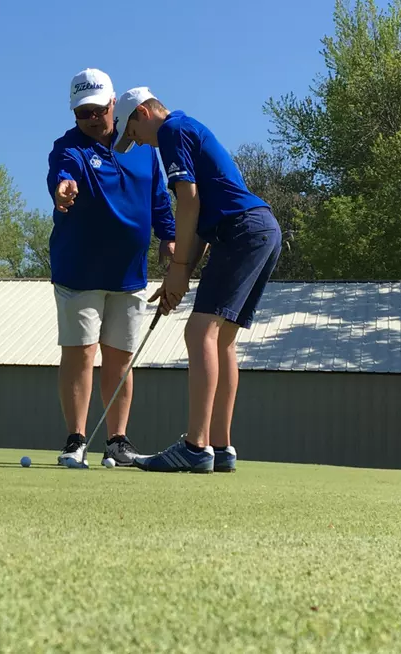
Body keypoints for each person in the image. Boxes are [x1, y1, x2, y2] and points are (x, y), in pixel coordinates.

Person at [112, 87, 281, 473]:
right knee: (222, 339)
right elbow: (201, 224)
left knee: (199, 332)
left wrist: (176, 268)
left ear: (142, 112)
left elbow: (188, 202)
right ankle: (220, 448)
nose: (136, 142)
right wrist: (181, 276)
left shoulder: (171, 131)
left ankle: (195, 446)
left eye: (133, 133)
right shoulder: (190, 127)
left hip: (241, 230)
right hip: (262, 230)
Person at [47, 69, 176, 467]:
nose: (90, 119)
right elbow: (62, 172)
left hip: (129, 274)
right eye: (82, 112)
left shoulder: (143, 147)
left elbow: (158, 201)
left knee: (120, 357)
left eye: (97, 110)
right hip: (78, 273)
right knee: (81, 353)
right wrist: (63, 188)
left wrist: (169, 237)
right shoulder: (68, 148)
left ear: (112, 105)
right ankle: (76, 440)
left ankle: (117, 442)